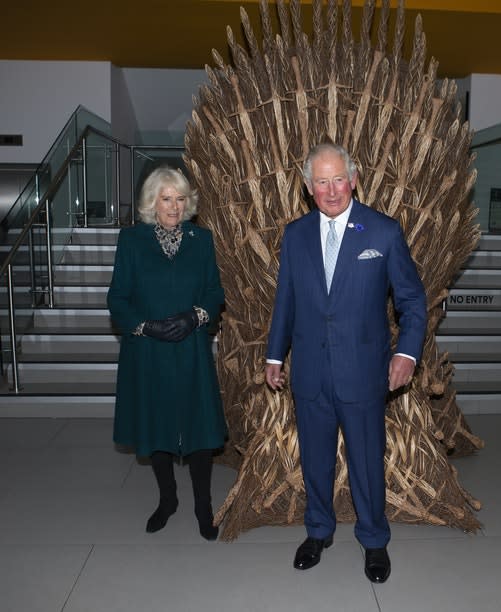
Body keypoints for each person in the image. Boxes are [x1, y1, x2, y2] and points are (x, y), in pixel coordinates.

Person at [265, 143, 427, 583]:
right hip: (311, 374)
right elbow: (287, 299)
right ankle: (318, 531)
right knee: (315, 460)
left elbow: (412, 300)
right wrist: (274, 355)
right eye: (321, 181)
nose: (331, 190)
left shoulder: (383, 232)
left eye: (339, 179)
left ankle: (374, 541)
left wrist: (407, 353)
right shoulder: (295, 234)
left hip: (364, 372)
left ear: (354, 179)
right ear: (307, 186)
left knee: (367, 463)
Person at [108, 166, 227, 541]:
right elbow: (117, 299)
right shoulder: (131, 241)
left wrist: (197, 316)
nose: (174, 207)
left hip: (191, 350)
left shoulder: (202, 239)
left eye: (179, 199)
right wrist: (146, 326)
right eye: (165, 199)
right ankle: (168, 500)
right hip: (148, 352)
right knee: (156, 427)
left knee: (199, 432)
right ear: (151, 203)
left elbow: (213, 292)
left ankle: (203, 507)